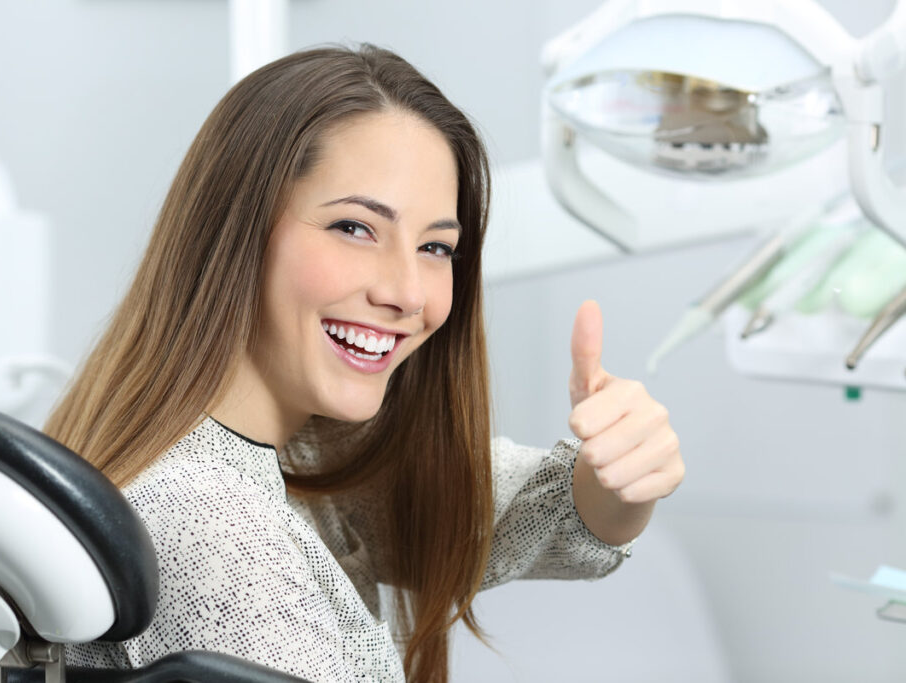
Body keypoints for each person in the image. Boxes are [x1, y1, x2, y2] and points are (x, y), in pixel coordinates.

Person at [51, 44, 684, 683]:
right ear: (237, 229)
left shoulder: (297, 451)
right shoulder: (211, 521)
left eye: (436, 246)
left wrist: (616, 479)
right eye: (355, 228)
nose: (408, 292)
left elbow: (465, 505)